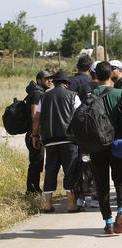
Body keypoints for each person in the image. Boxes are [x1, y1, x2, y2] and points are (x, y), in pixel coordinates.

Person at [32, 70, 81, 213]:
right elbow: (80, 116)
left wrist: (35, 135)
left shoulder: (45, 96)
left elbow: (36, 117)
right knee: (70, 171)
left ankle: (48, 204)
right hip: (69, 140)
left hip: (50, 141)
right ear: (67, 83)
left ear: (54, 82)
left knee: (51, 171)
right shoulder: (73, 96)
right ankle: (71, 204)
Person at [90, 61, 122, 234]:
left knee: (102, 184)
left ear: (96, 76)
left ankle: (108, 222)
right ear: (111, 75)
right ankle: (121, 211)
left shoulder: (90, 95)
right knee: (121, 179)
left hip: (97, 146)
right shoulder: (120, 94)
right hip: (118, 144)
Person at [25, 71, 52, 195]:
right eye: (46, 79)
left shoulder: (38, 93)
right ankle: (32, 190)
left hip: (34, 133)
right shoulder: (37, 94)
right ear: (39, 80)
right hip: (34, 134)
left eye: (50, 78)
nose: (49, 81)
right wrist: (37, 134)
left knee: (37, 163)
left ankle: (34, 189)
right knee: (36, 164)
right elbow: (34, 115)